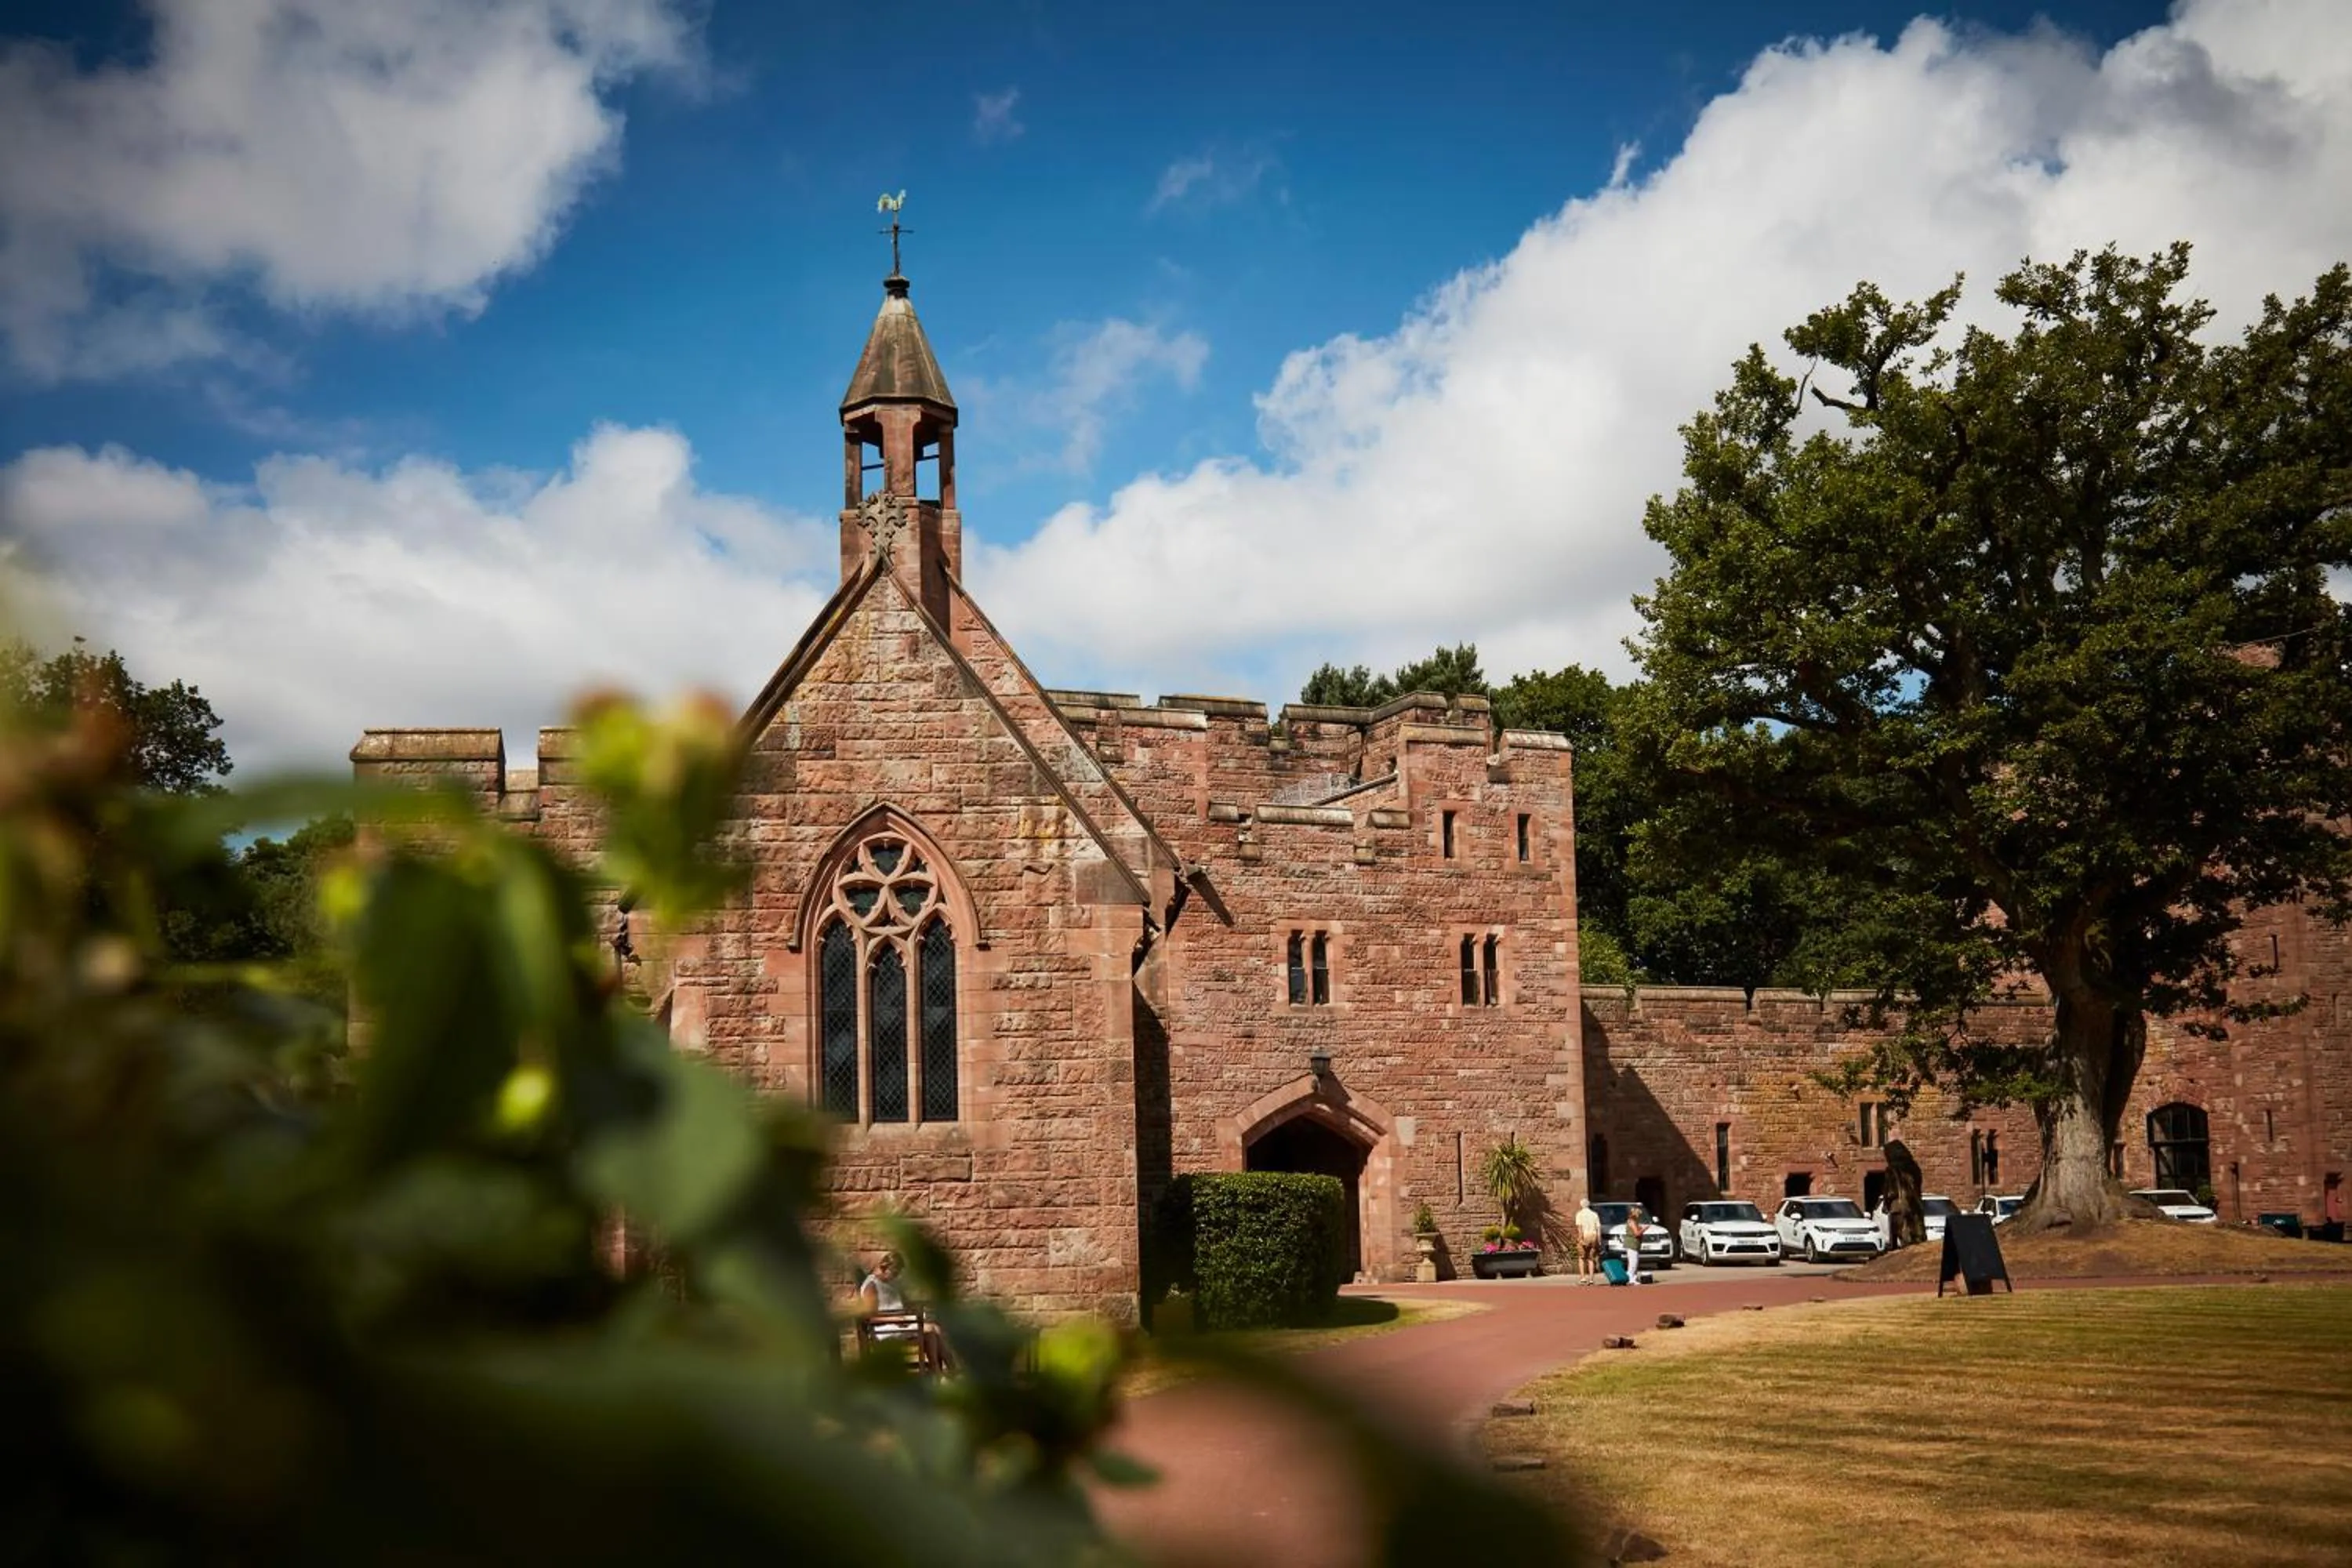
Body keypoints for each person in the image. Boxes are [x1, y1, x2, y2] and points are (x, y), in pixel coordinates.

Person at [858, 1250, 949, 1370]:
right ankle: (941, 1371)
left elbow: (901, 1304)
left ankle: (944, 1369)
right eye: (894, 1272)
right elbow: (870, 1316)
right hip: (885, 1329)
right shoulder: (871, 1286)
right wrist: (895, 1319)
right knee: (930, 1330)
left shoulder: (891, 1284)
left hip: (900, 1324)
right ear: (885, 1268)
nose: (896, 1276)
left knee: (935, 1329)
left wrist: (909, 1311)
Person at [1573, 1197, 1602, 1278]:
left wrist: (1580, 1239)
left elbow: (1580, 1229)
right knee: (1591, 1258)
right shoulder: (1594, 1214)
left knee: (1581, 1257)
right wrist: (1599, 1240)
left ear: (1581, 1205)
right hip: (1593, 1236)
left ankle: (1583, 1278)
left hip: (1585, 1235)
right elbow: (1598, 1228)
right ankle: (1591, 1279)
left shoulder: (1579, 1214)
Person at [1622, 1207, 1648, 1284]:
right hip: (1631, 1243)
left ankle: (1633, 1278)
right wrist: (1644, 1229)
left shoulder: (1634, 1221)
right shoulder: (1632, 1221)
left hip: (1635, 1244)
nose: (1639, 1216)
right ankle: (1630, 1278)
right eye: (1638, 1214)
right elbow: (1637, 1233)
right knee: (1633, 1262)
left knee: (1635, 1262)